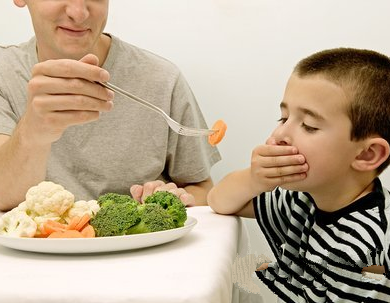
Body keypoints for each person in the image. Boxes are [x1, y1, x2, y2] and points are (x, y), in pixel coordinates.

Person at [0, 0, 221, 211]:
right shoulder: (5, 75)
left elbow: (202, 190)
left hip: (142, 248)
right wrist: (32, 131)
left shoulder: (162, 79)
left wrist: (176, 200)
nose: (79, 13)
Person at [208, 47, 390, 302]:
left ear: (367, 155)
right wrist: (253, 179)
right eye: (283, 118)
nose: (279, 135)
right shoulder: (303, 198)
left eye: (309, 125)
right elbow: (220, 201)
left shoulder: (364, 248)